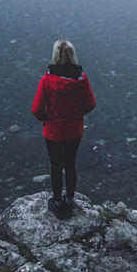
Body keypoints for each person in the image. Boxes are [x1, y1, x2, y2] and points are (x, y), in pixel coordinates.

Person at [31, 38, 96, 215]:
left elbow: (36, 109)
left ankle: (57, 201)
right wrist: (76, 114)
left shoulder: (47, 81)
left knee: (56, 165)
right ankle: (70, 199)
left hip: (53, 131)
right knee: (70, 163)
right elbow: (91, 104)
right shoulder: (82, 80)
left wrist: (48, 118)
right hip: (74, 130)